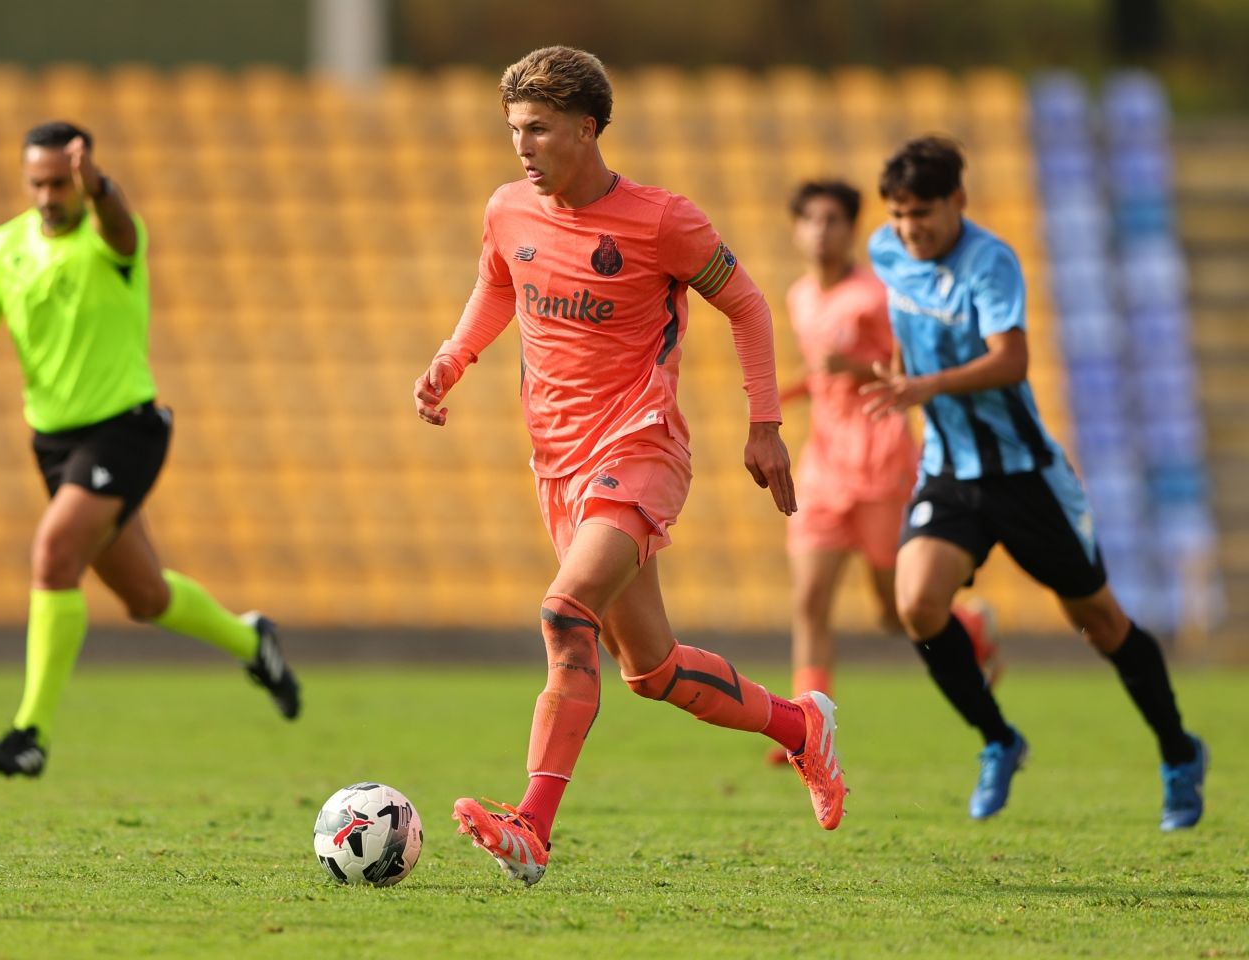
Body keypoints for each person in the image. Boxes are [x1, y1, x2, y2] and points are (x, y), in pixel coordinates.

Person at [413, 46, 847, 887]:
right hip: (557, 463)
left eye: (539, 129)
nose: (523, 146)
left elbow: (748, 306)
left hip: (639, 447)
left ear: (587, 128)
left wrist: (765, 425)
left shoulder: (661, 221)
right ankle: (803, 729)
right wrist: (451, 359)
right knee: (651, 671)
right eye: (515, 130)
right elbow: (498, 285)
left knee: (563, 613)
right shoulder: (508, 209)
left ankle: (532, 826)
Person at [861, 137, 1206, 830]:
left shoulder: (989, 261)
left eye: (921, 212)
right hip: (949, 470)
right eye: (898, 214)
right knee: (917, 605)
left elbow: (1011, 360)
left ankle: (1178, 752)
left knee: (1099, 622)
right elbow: (906, 319)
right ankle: (998, 740)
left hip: (1024, 477)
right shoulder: (886, 251)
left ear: (958, 201)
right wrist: (900, 375)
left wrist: (927, 385)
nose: (908, 228)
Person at [0, 121, 300, 777]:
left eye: (61, 183)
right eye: (38, 183)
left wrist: (102, 189)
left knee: (54, 553)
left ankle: (30, 734)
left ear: (80, 181)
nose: (49, 196)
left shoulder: (109, 235)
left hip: (125, 429)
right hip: (54, 442)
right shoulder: (2, 247)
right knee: (145, 597)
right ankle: (253, 642)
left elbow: (120, 228)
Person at [775, 180, 1000, 748]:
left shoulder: (877, 296)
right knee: (809, 599)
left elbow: (910, 370)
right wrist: (785, 394)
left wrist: (854, 367)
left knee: (894, 612)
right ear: (796, 229)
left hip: (880, 459)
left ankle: (970, 628)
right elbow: (822, 373)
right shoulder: (801, 297)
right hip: (824, 466)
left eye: (833, 220)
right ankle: (807, 731)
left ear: (852, 229)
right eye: (811, 220)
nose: (821, 231)